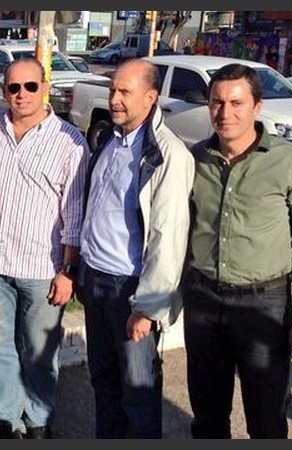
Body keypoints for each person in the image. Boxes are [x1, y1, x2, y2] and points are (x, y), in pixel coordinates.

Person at [183, 63, 292, 439]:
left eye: (236, 103)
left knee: (265, 418)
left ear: (257, 107)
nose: (225, 112)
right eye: (217, 102)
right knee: (207, 414)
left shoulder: (291, 162)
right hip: (203, 301)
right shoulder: (195, 159)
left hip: (261, 305)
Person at [74, 59, 194, 438]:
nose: (115, 99)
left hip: (130, 292)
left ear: (151, 96)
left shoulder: (167, 156)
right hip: (95, 281)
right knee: (104, 383)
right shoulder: (108, 139)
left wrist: (148, 308)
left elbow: (168, 238)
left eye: (125, 91)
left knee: (138, 393)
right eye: (112, 90)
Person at [0, 58, 88, 439]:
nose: (22, 94)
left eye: (30, 87)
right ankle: (5, 418)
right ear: (5, 90)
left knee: (39, 353)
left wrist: (67, 272)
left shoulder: (69, 141)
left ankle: (38, 419)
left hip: (42, 267)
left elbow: (74, 213)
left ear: (45, 88)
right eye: (14, 87)